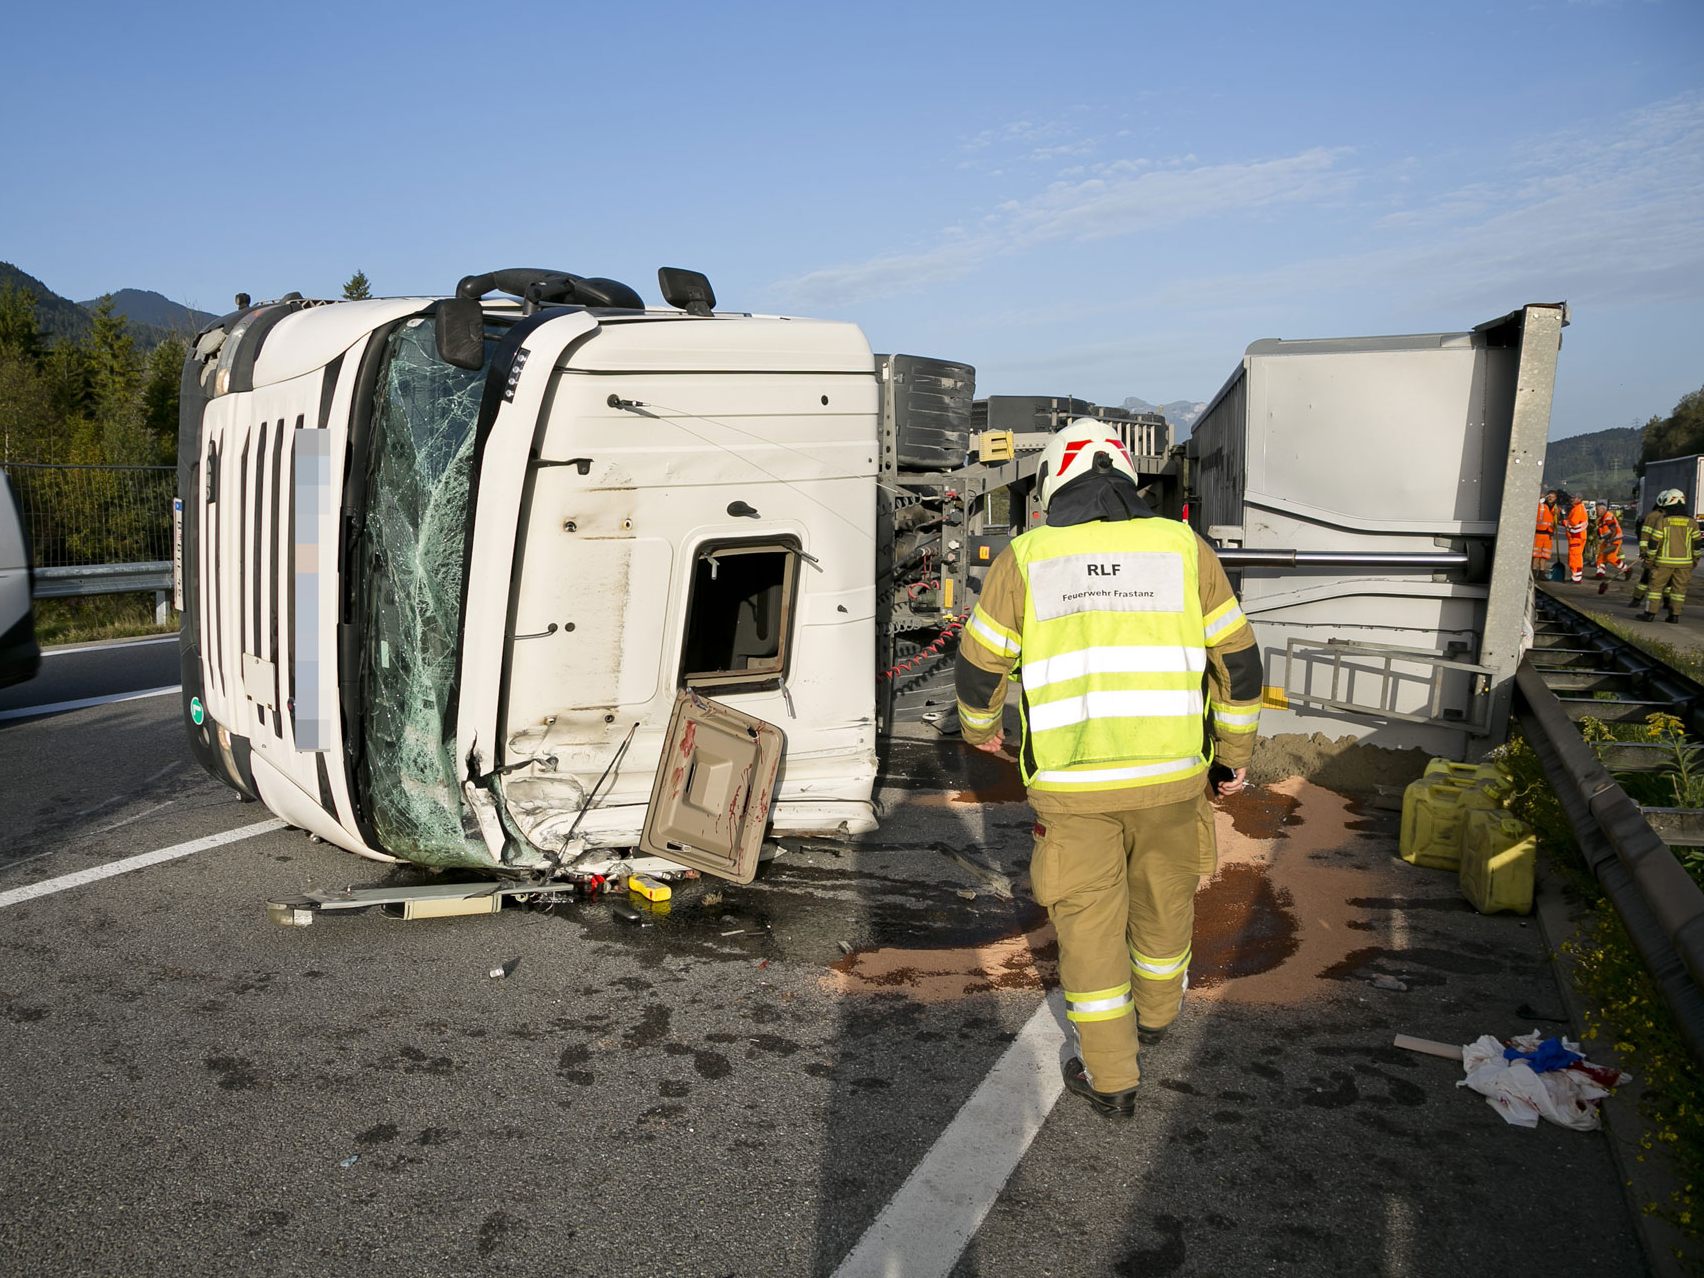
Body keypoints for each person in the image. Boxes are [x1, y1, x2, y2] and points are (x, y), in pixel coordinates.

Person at [954, 418, 1262, 1118]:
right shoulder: (1182, 547)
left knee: (1089, 928)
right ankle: (1156, 1018)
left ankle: (1114, 1079)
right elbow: (1238, 663)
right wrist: (1232, 759)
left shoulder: (1027, 557)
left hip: (1073, 790)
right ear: (1127, 476)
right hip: (1175, 778)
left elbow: (980, 664)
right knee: (1164, 903)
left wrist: (981, 734)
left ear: (1051, 484)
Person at [1638, 489, 1702, 624]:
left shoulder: (1663, 521)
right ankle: (1674, 616)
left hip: (1663, 562)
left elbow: (1654, 542)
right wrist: (1695, 559)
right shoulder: (1692, 522)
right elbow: (1697, 544)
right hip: (1685, 564)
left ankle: (1650, 614)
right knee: (1679, 591)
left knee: (1655, 588)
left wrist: (1649, 558)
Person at [1631, 499, 1665, 610]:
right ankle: (1668, 603)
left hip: (1653, 553)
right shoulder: (1670, 516)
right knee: (1668, 581)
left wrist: (1644, 551)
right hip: (1664, 554)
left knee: (1645, 578)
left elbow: (1644, 536)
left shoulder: (1652, 516)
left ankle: (1637, 599)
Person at [1561, 491, 1589, 583]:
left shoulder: (1578, 509)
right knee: (1577, 557)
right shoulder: (1579, 508)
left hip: (1576, 536)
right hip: (1578, 536)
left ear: (1579, 499)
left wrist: (1564, 521)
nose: (1571, 499)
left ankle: (1576, 578)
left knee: (1574, 557)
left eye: (1573, 498)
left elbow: (1573, 522)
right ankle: (1576, 576)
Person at [1594, 505, 1624, 582]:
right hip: (1607, 539)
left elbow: (1614, 531)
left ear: (1603, 510)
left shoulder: (1608, 517)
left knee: (1611, 557)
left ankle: (1626, 569)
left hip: (1614, 539)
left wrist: (1609, 542)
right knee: (1601, 556)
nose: (1596, 511)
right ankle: (1600, 573)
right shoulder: (1602, 518)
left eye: (1597, 510)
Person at [1533, 492, 1557, 578]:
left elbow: (1557, 520)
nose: (1550, 498)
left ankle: (1542, 572)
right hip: (1539, 532)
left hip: (1548, 534)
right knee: (1536, 554)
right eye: (1549, 496)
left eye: (1553, 497)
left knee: (1545, 555)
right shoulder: (1541, 505)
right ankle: (1534, 571)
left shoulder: (1556, 508)